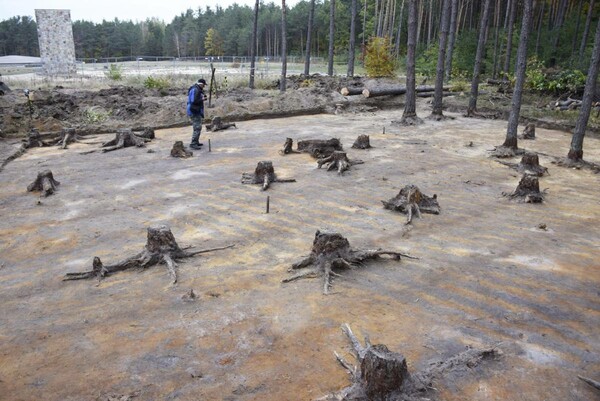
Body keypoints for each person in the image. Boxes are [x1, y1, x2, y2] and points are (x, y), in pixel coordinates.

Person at [187, 78, 207, 149]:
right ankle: (193, 143)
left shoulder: (196, 89)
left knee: (198, 127)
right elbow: (194, 101)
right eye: (204, 85)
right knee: (197, 127)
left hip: (195, 110)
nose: (204, 87)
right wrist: (202, 99)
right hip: (193, 110)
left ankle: (196, 141)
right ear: (201, 84)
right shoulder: (195, 89)